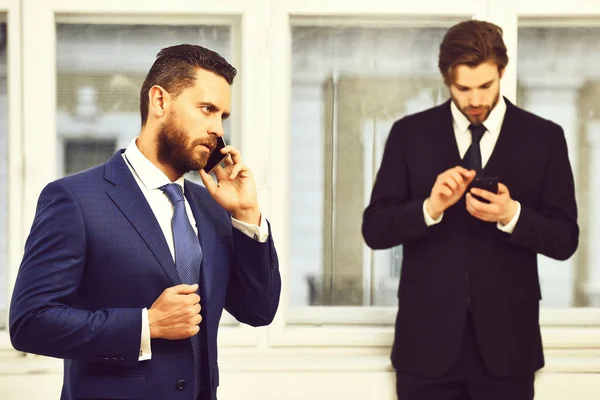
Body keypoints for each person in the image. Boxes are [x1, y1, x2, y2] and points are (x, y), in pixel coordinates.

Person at [9, 44, 281, 400]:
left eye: (222, 117)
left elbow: (258, 311)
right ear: (159, 101)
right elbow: (30, 323)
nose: (217, 130)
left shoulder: (212, 208)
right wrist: (144, 326)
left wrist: (246, 215)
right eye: (206, 110)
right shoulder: (75, 200)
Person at [362, 20, 578, 400]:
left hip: (510, 351)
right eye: (463, 89)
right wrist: (430, 208)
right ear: (447, 79)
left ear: (502, 73)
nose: (475, 100)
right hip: (424, 349)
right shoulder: (409, 135)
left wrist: (512, 215)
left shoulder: (545, 138)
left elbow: (565, 239)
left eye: (486, 86)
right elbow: (374, 230)